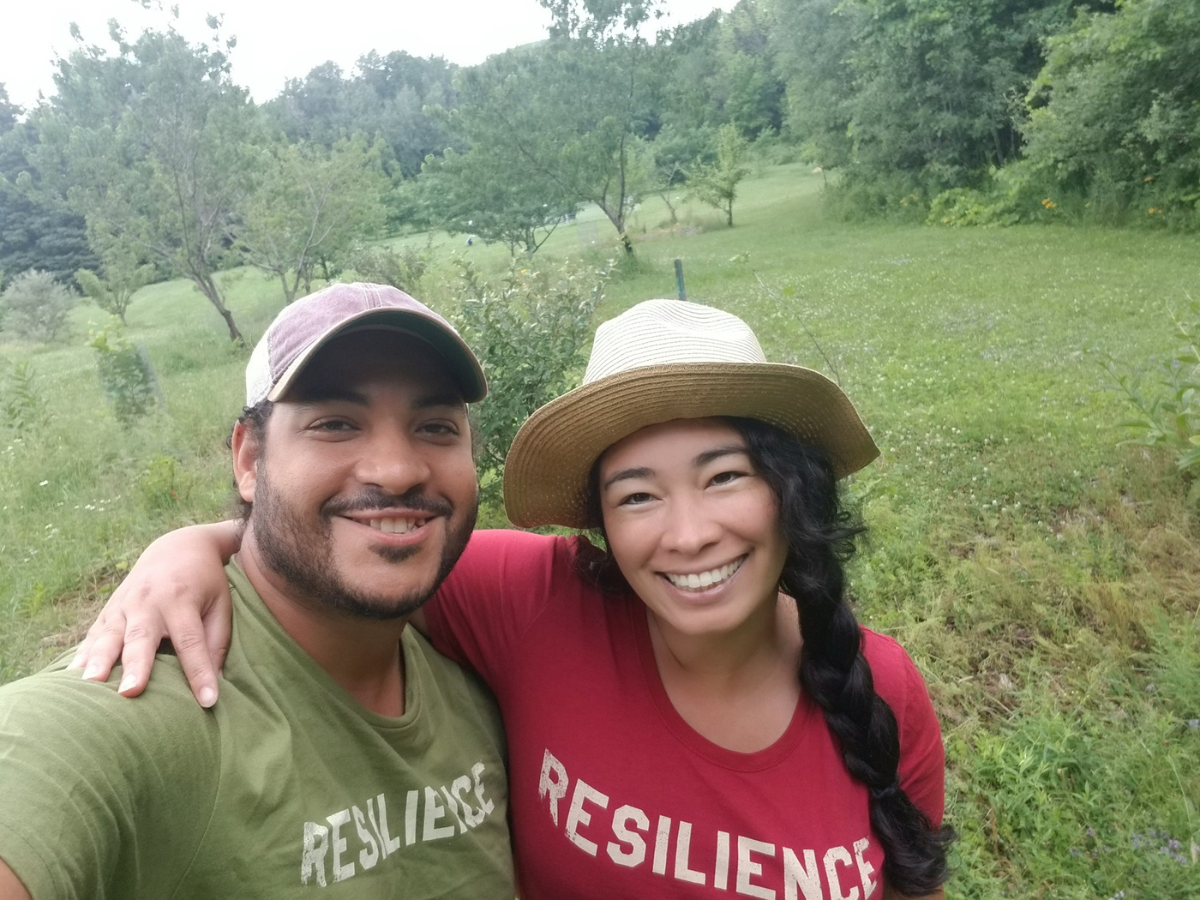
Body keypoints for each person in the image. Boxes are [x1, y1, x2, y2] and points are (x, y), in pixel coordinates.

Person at [74, 299, 955, 899]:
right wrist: (196, 544)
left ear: (788, 489)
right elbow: (355, 549)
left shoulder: (884, 689)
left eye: (725, 477)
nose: (687, 535)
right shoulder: (535, 600)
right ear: (600, 526)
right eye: (638, 494)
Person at [0, 284, 515, 899]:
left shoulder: (482, 661)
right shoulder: (146, 707)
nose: (398, 469)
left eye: (435, 427)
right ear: (249, 461)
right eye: (334, 424)